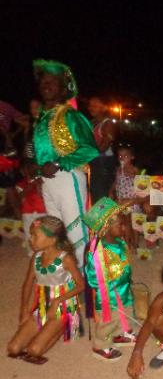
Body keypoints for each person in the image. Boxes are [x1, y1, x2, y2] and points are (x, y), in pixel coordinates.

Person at [31, 59, 99, 267]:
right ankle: (65, 277)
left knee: (76, 231)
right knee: (54, 232)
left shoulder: (71, 116)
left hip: (68, 178)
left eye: (52, 82)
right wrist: (35, 167)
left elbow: (90, 149)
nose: (46, 86)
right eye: (43, 83)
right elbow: (41, 153)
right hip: (48, 181)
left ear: (63, 89)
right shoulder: (41, 119)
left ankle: (83, 284)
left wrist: (60, 164)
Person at [7, 216, 85, 364]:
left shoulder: (66, 259)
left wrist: (58, 301)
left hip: (63, 307)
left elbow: (81, 285)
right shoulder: (36, 257)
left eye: (35, 235)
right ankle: (47, 327)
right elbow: (28, 283)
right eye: (31, 235)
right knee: (13, 348)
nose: (30, 239)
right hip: (42, 306)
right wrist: (24, 311)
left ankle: (66, 324)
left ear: (53, 239)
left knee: (34, 350)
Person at [83, 197, 136, 361]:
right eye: (120, 225)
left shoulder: (119, 242)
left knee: (123, 313)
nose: (124, 227)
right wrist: (95, 305)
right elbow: (93, 280)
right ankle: (100, 346)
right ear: (106, 227)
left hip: (122, 288)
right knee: (107, 321)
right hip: (107, 296)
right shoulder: (97, 252)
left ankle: (119, 335)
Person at [109, 144, 155, 249]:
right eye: (120, 156)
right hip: (121, 201)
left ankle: (136, 242)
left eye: (125, 156)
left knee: (134, 221)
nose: (122, 158)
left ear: (132, 157)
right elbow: (115, 183)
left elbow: (143, 186)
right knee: (125, 221)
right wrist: (111, 191)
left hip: (132, 201)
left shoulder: (135, 170)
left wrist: (134, 176)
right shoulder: (118, 170)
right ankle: (128, 242)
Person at [88, 96, 117, 203]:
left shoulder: (108, 123)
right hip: (93, 162)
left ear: (104, 108)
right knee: (93, 196)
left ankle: (104, 219)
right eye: (90, 105)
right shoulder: (91, 123)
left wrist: (84, 154)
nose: (91, 108)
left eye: (95, 105)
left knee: (100, 197)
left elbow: (103, 147)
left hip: (102, 164)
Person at [15, 161, 46, 253]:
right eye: (26, 169)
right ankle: (32, 251)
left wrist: (38, 186)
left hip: (42, 211)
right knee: (29, 231)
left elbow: (43, 195)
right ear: (22, 171)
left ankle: (44, 249)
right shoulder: (20, 184)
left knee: (43, 231)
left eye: (31, 168)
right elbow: (20, 197)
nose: (29, 170)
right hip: (27, 211)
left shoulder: (41, 181)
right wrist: (29, 185)